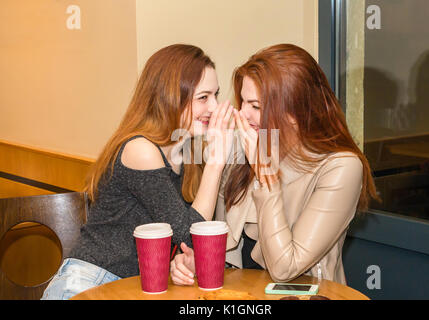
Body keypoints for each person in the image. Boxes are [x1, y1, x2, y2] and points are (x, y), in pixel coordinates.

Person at [170, 43, 379, 285]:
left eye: (256, 106)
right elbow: (224, 250)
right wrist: (192, 262)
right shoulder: (243, 149)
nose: (243, 115)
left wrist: (264, 174)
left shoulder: (340, 167)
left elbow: (284, 268)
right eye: (243, 102)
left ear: (295, 110)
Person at [41, 44, 235, 299]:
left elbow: (183, 243)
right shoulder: (140, 150)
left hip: (133, 287)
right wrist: (216, 162)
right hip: (89, 284)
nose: (214, 107)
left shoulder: (183, 153)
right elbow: (191, 236)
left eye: (216, 95)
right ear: (169, 96)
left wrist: (175, 265)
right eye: (203, 97)